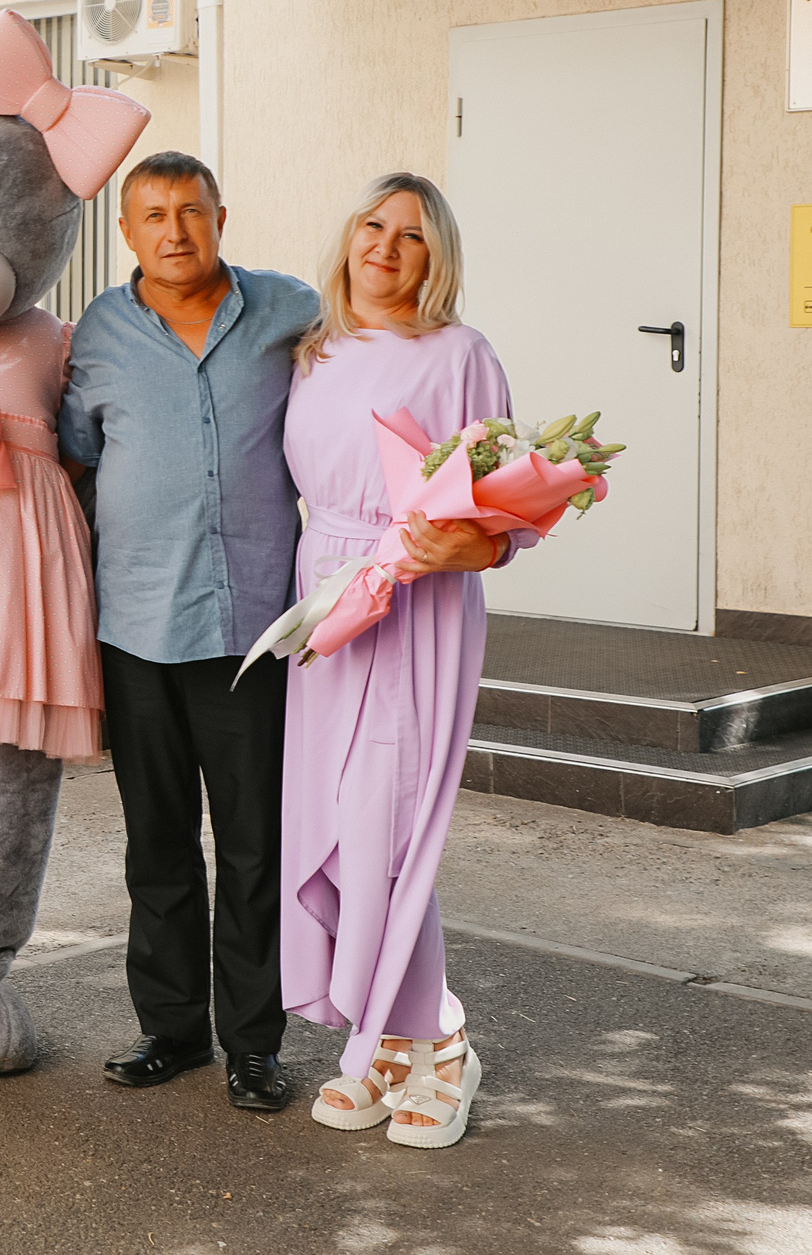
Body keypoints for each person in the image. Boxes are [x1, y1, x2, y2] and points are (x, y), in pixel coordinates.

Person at [58, 153, 493, 1115]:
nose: (175, 231)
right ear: (126, 232)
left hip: (263, 623)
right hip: (134, 622)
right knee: (157, 843)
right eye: (153, 215)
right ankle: (171, 1028)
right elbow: (77, 458)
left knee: (257, 841)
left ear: (222, 215)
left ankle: (254, 1044)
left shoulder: (293, 317)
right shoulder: (97, 333)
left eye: (192, 211)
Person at [282, 171, 511, 1151]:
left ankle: (440, 1042)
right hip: (324, 594)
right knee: (332, 820)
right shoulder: (313, 351)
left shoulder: (461, 354)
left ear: (434, 260)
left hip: (414, 604)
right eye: (372, 226)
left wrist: (447, 548)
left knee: (386, 821)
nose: (384, 245)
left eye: (409, 236)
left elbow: (501, 514)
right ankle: (384, 1042)